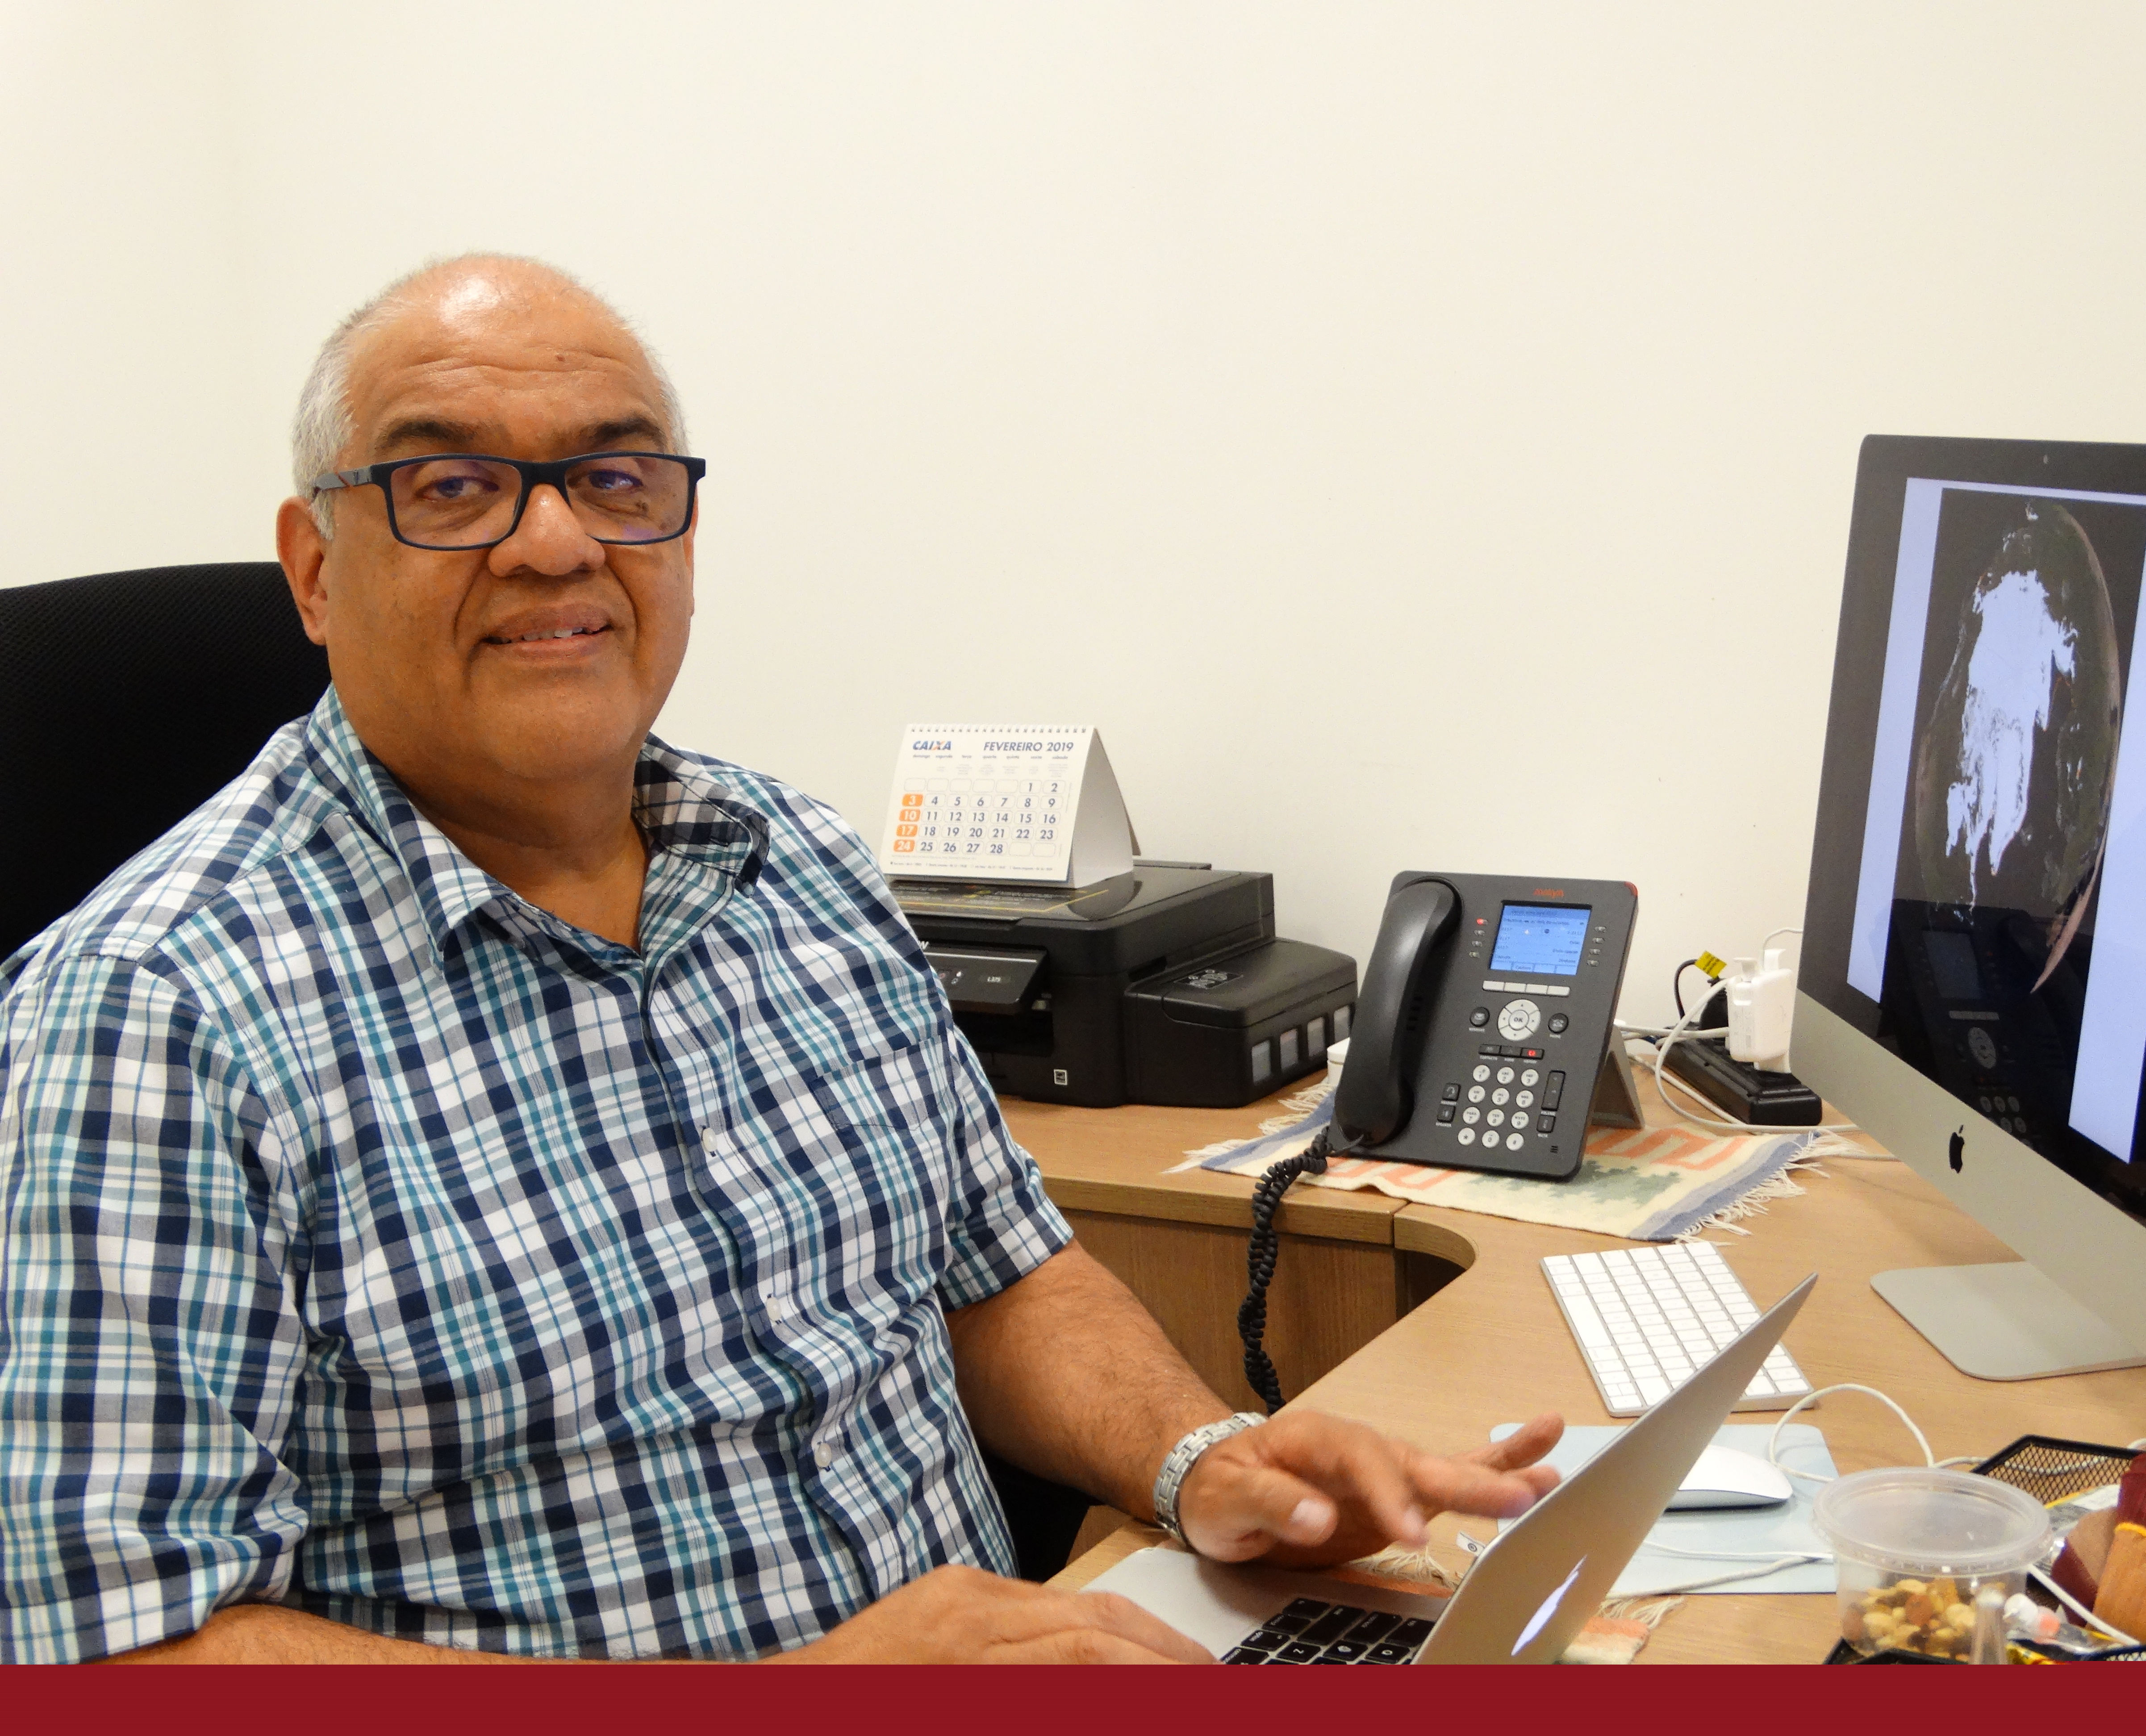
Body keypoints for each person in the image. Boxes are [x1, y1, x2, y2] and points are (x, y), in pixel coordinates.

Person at [0, 255, 1563, 1664]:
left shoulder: (794, 862)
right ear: (317, 566)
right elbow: (112, 1655)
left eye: (614, 478)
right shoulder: (150, 1019)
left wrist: (1201, 1459)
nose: (556, 544)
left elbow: (999, 1270)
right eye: (457, 487)